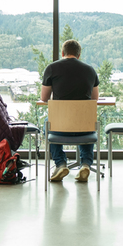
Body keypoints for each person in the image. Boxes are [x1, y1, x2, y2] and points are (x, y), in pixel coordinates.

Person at [40, 39, 99, 182]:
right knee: (89, 122)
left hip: (60, 127)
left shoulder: (51, 68)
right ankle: (85, 164)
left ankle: (60, 163)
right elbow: (94, 99)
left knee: (47, 124)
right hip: (84, 127)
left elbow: (44, 98)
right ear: (79, 55)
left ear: (62, 53)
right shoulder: (90, 70)